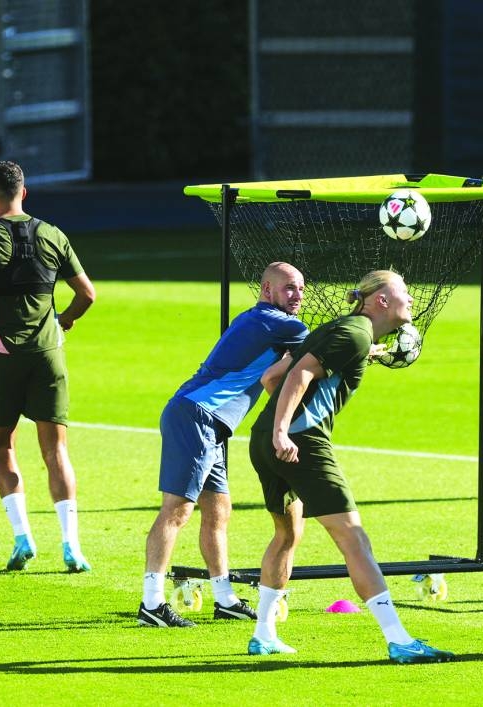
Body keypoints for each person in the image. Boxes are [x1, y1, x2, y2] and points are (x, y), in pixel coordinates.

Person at [246, 270, 454, 664]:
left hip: (266, 441)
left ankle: (264, 634)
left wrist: (277, 430)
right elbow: (300, 376)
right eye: (403, 292)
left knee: (286, 535)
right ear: (380, 301)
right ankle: (399, 640)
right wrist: (286, 432)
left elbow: (273, 376)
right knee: (353, 538)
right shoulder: (355, 334)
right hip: (297, 442)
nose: (410, 298)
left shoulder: (350, 332)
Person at [138, 262, 309, 628]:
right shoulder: (279, 324)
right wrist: (372, 346)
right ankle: (151, 603)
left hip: (209, 422)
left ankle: (225, 597)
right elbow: (325, 348)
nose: (297, 296)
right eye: (289, 288)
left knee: (218, 511)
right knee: (177, 510)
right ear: (267, 289)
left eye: (300, 289)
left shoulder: (261, 319)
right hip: (197, 415)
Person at [0, 160, 96, 572]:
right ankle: (71, 546)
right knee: (55, 450)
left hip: (1, 355)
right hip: (48, 353)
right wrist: (65, 320)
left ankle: (23, 539)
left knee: (3, 447)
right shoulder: (52, 233)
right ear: (25, 192)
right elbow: (87, 294)